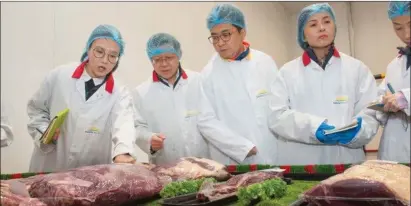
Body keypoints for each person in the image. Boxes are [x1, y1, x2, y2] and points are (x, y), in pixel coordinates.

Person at [268, 3, 379, 165]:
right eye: (313, 24)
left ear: (334, 27)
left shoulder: (357, 69)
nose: (321, 28)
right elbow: (276, 116)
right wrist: (313, 128)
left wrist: (358, 132)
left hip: (347, 160)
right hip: (302, 163)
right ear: (303, 35)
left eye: (327, 22)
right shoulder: (287, 72)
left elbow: (370, 112)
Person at [27, 24, 137, 172]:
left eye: (112, 56)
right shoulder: (59, 76)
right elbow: (36, 110)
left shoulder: (120, 92)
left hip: (89, 173)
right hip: (50, 165)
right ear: (88, 49)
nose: (105, 60)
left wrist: (123, 152)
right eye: (99, 52)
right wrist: (45, 131)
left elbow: (124, 123)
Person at [133, 33, 255, 164]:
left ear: (178, 56)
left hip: (204, 164)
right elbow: (138, 127)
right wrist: (149, 139)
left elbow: (213, 121)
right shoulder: (141, 92)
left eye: (169, 57)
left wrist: (241, 146)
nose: (164, 64)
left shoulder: (198, 81)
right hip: (166, 166)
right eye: (157, 59)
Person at [201, 4, 279, 165]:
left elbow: (280, 106)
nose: (220, 43)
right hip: (235, 159)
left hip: (273, 151)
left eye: (226, 35)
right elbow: (205, 121)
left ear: (242, 32)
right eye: (214, 37)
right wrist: (242, 147)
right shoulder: (208, 74)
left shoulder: (265, 62)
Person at [360, 2, 410, 163]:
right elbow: (380, 98)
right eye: (398, 27)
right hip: (393, 151)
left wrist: (406, 98)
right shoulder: (394, 64)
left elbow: (402, 98)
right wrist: (383, 103)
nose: (406, 34)